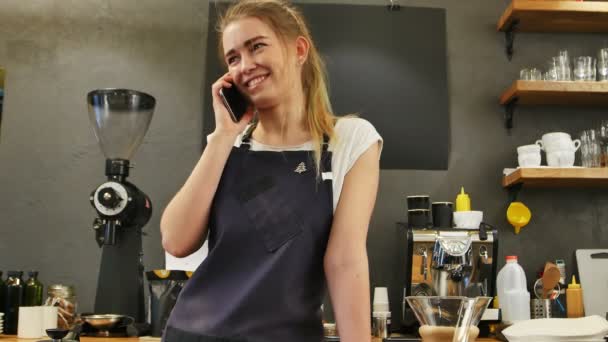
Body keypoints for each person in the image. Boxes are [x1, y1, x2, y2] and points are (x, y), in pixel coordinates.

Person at [160, 1, 382, 341]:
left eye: (256, 46)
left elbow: (345, 261)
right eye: (233, 58)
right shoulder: (227, 146)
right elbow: (176, 241)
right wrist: (222, 136)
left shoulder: (351, 140)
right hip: (195, 333)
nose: (245, 65)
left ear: (298, 49)